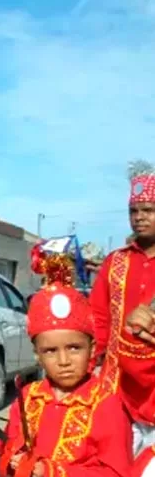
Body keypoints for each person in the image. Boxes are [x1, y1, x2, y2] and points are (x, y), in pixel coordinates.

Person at [0, 246, 131, 477]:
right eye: (50, 351)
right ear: (36, 354)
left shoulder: (105, 403)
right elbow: (6, 450)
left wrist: (49, 475)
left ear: (92, 348)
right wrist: (12, 462)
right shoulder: (28, 397)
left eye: (74, 348)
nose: (64, 360)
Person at [89, 159, 155, 456]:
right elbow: (98, 318)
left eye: (148, 210)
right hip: (118, 384)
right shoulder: (115, 262)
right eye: (134, 211)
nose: (139, 218)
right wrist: (89, 366)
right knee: (117, 468)